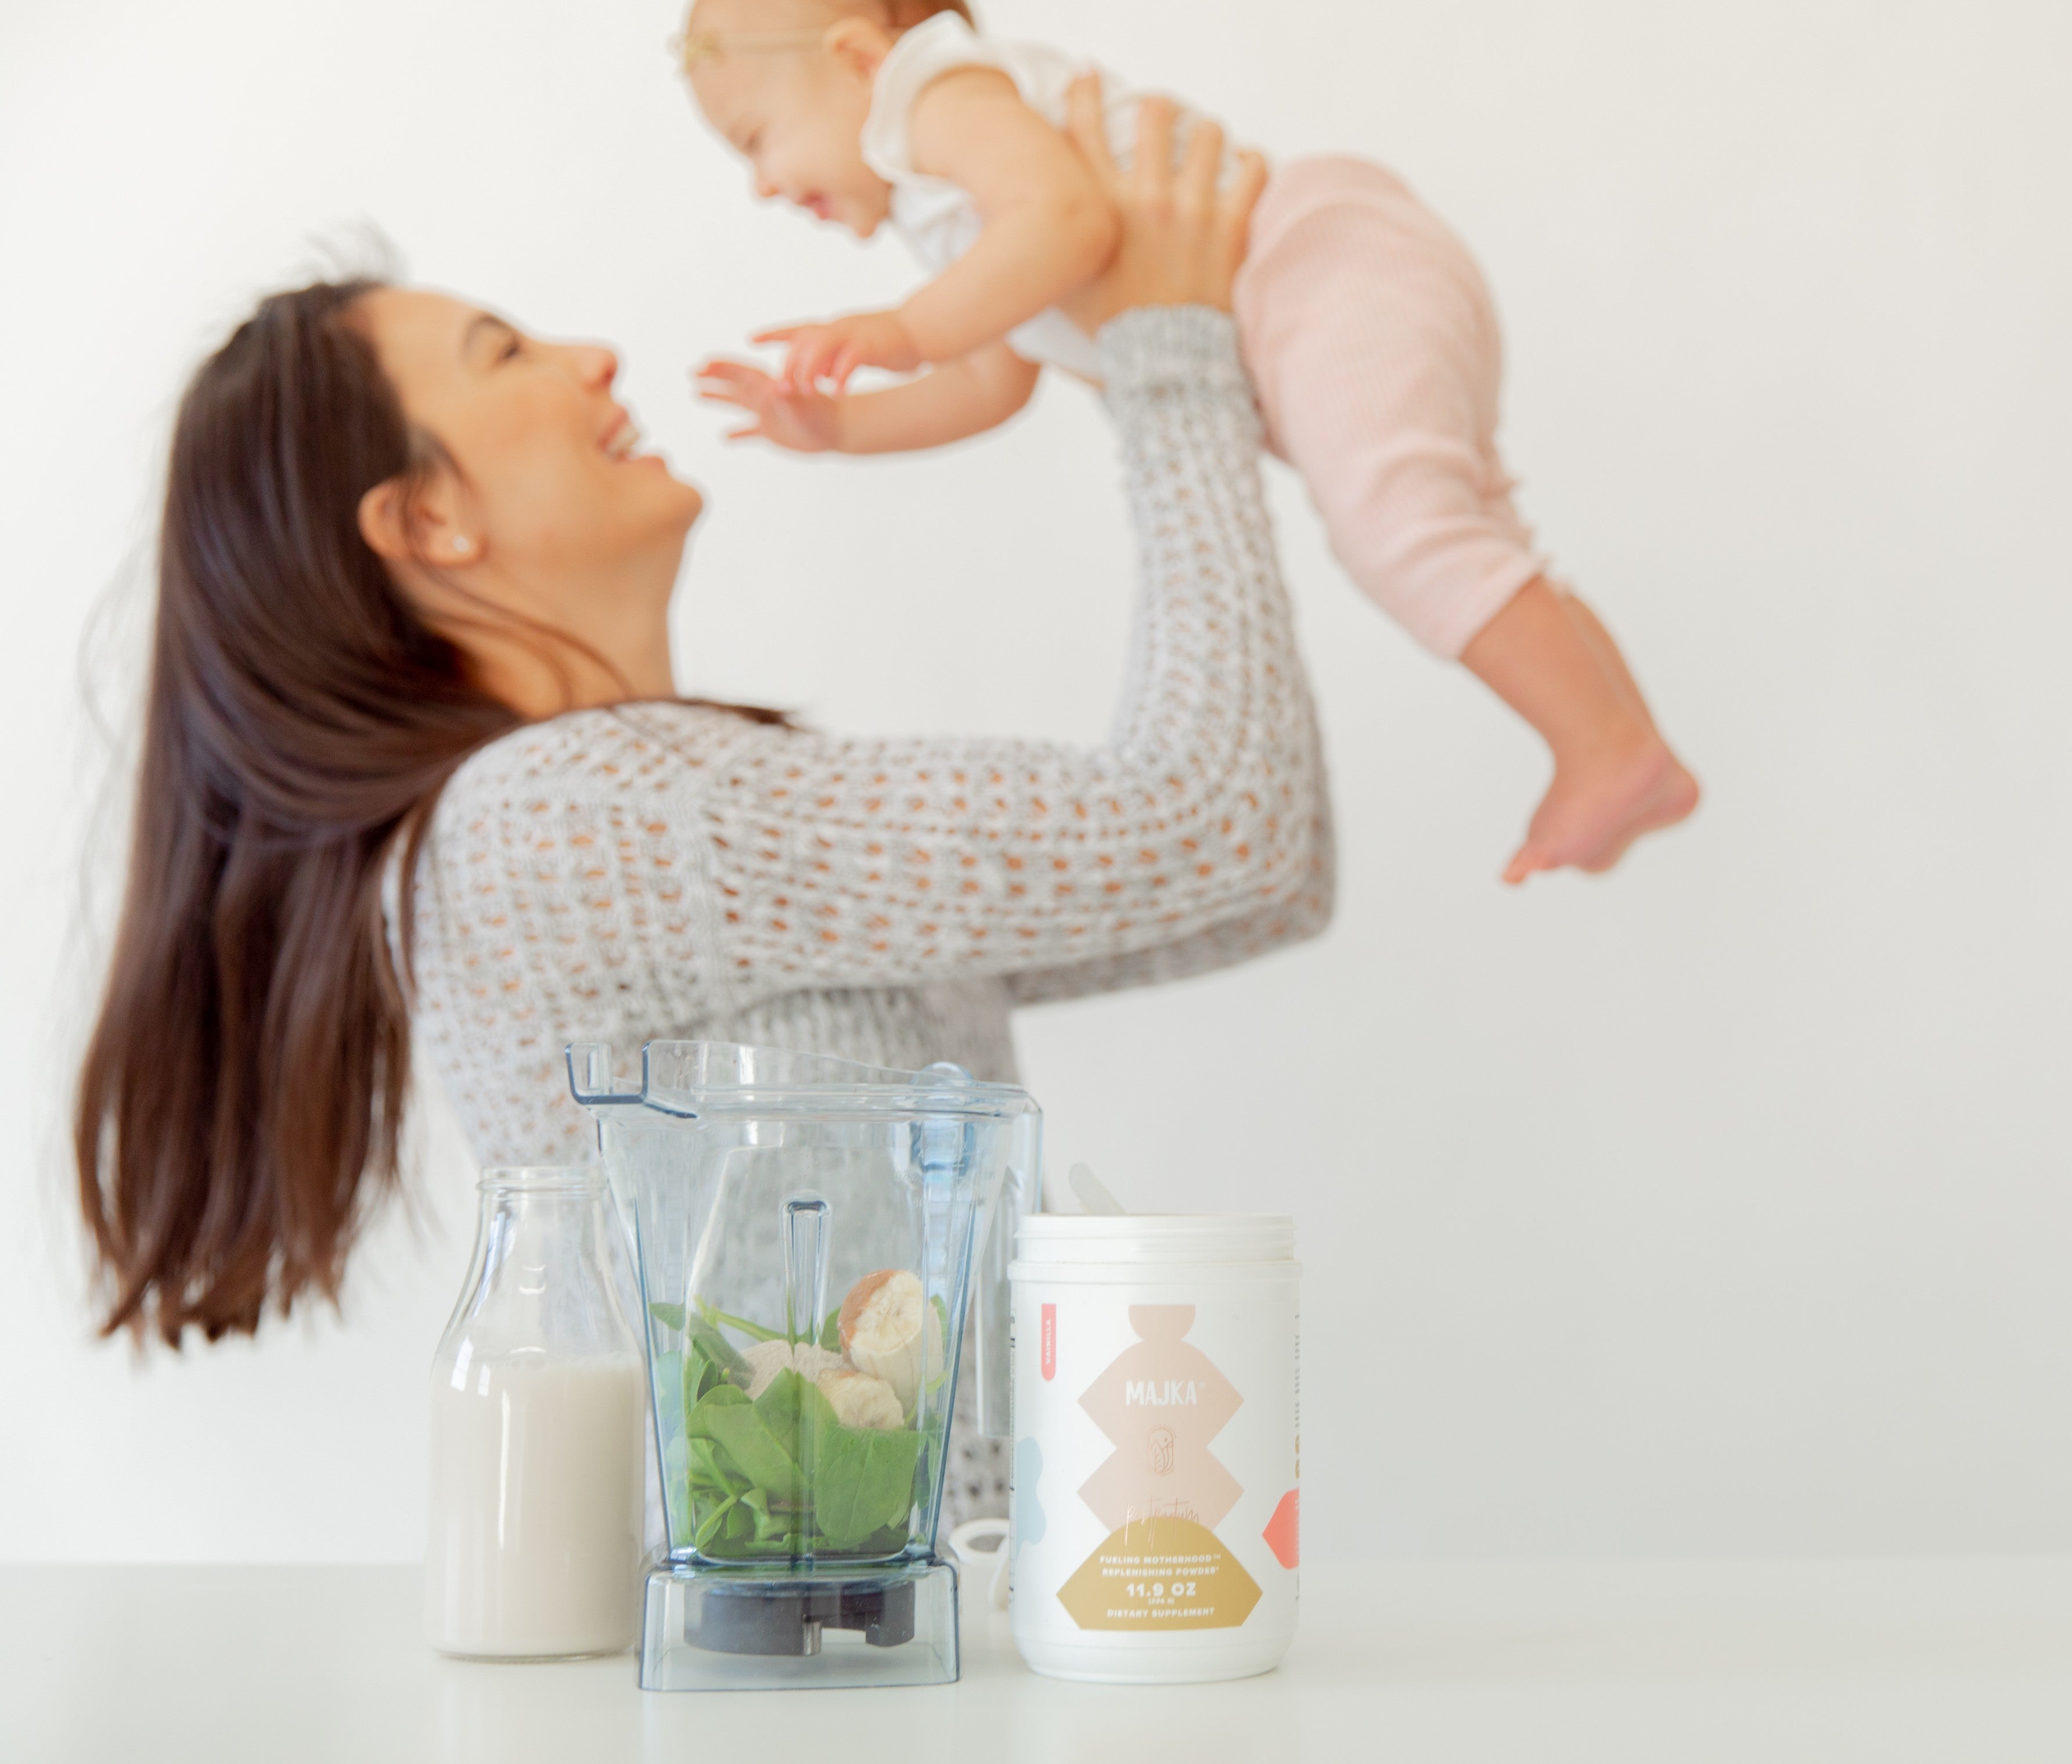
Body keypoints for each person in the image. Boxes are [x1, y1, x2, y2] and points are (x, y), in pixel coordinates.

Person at [74, 96, 1325, 1528]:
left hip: (871, 1656)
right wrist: (1168, 354)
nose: (592, 358)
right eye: (506, 352)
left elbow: (1254, 877)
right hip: (826, 1679)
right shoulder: (582, 819)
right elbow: (1226, 825)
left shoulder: (608, 820)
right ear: (427, 523)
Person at [675, 0, 1700, 884]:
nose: (760, 185)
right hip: (1328, 287)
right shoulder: (945, 216)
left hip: (1317, 264)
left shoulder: (939, 97)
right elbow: (991, 382)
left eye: (756, 139)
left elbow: (1069, 221)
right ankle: (1625, 743)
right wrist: (840, 427)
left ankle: (1600, 746)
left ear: (860, 62)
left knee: (1400, 535)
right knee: (1464, 529)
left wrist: (898, 329)